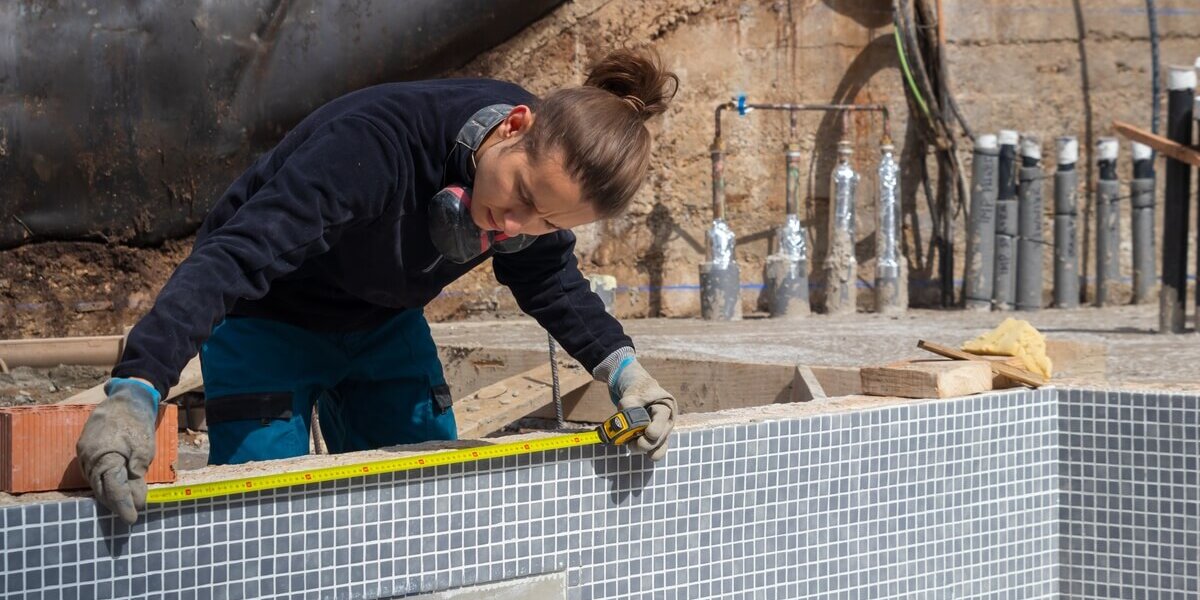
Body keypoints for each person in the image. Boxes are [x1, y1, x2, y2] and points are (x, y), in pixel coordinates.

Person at [76, 49, 680, 524]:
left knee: (425, 502)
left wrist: (622, 368)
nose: (516, 226)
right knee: (264, 515)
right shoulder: (371, 149)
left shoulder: (542, 176)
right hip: (265, 314)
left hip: (383, 320)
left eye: (547, 222)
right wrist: (138, 388)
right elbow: (234, 258)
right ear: (513, 126)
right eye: (520, 197)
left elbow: (548, 276)